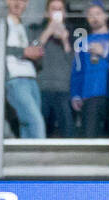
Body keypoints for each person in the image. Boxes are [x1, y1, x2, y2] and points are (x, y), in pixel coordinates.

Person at [69, 1, 109, 136]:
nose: (94, 18)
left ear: (105, 16)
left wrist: (105, 53)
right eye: (90, 15)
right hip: (90, 95)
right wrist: (76, 94)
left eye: (98, 13)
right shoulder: (82, 42)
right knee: (90, 137)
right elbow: (77, 70)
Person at [3, 0, 46, 139]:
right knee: (36, 122)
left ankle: (27, 159)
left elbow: (32, 50)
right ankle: (41, 158)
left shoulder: (25, 28)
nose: (17, 3)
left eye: (22, 0)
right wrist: (24, 52)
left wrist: (34, 53)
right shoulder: (2, 24)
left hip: (32, 79)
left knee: (27, 124)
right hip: (15, 79)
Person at [33, 0, 74, 137]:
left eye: (60, 9)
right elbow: (32, 53)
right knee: (41, 130)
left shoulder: (73, 33)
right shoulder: (36, 30)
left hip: (64, 89)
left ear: (65, 13)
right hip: (42, 87)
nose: (57, 12)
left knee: (67, 129)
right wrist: (48, 32)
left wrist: (65, 40)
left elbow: (74, 63)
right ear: (47, 13)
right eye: (53, 9)